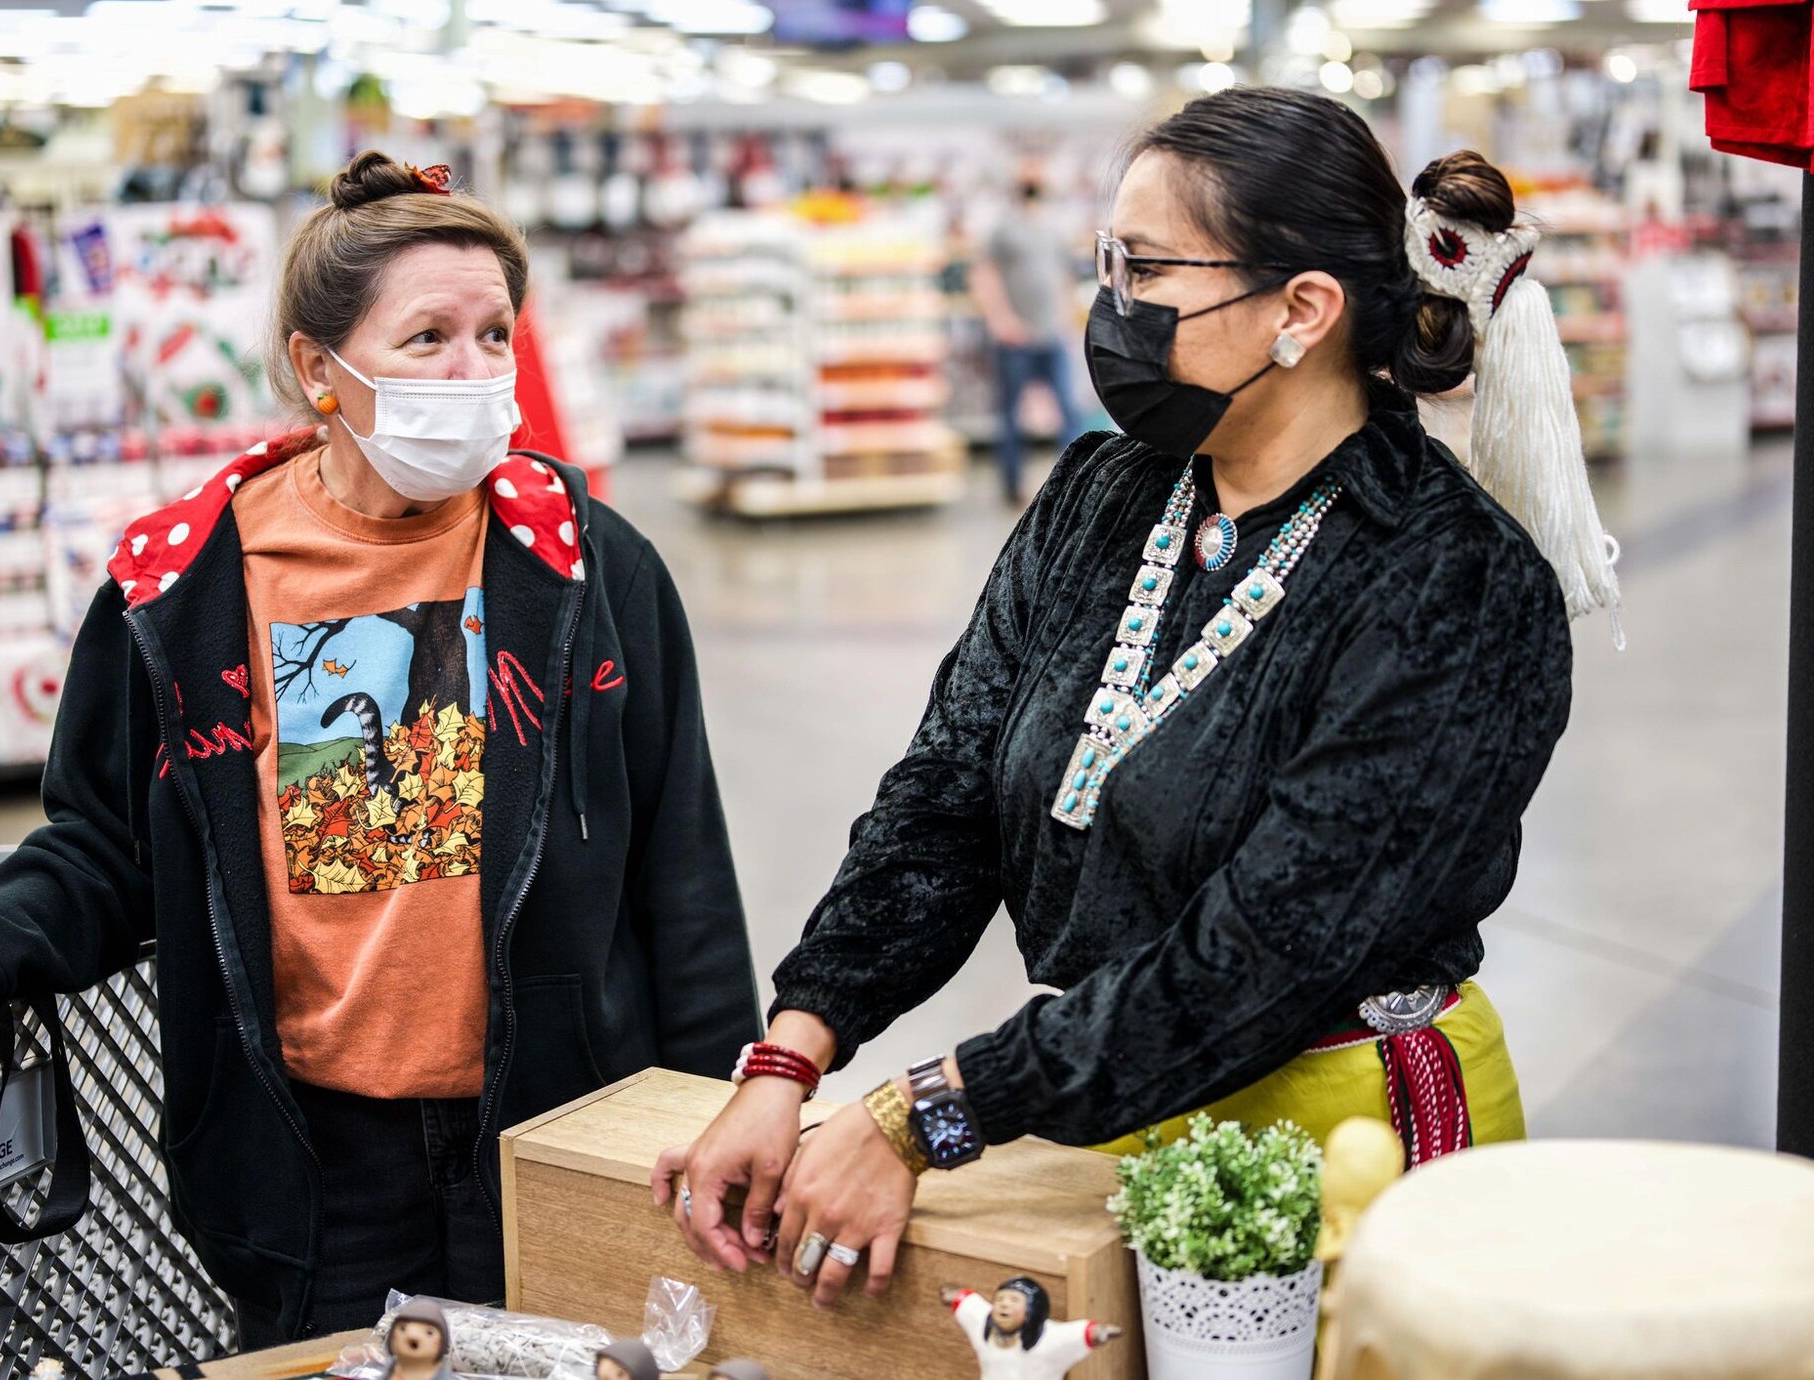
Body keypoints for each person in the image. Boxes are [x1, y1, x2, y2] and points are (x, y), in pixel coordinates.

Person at [656, 88, 1620, 1310]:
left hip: (1347, 1136)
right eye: (1105, 261)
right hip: (1104, 1101)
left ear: (1300, 310)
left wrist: (924, 1114)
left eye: (1146, 267)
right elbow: (945, 796)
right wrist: (789, 1057)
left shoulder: (1451, 581)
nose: (1109, 305)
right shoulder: (1108, 494)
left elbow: (1266, 947)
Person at [0, 151, 759, 1343]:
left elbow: (681, 872)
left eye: (493, 337)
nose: (471, 375)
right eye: (426, 340)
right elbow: (107, 845)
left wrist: (729, 1103)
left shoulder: (586, 566)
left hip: (559, 1126)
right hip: (316, 1158)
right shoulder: (187, 589)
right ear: (321, 368)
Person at [970, 171, 1086, 505]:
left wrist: (1066, 321)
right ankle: (1012, 486)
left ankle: (1072, 486)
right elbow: (983, 274)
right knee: (1010, 415)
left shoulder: (1054, 229)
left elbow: (1063, 276)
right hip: (1015, 339)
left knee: (1068, 410)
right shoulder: (1004, 229)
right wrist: (1001, 320)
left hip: (1053, 336)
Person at [940, 1279, 1121, 1380]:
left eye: (1013, 1300)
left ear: (1031, 1310)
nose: (1004, 1305)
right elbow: (971, 1306)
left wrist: (1098, 1332)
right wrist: (957, 1296)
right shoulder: (984, 1327)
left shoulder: (1048, 1340)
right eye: (1000, 1299)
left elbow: (1077, 1334)